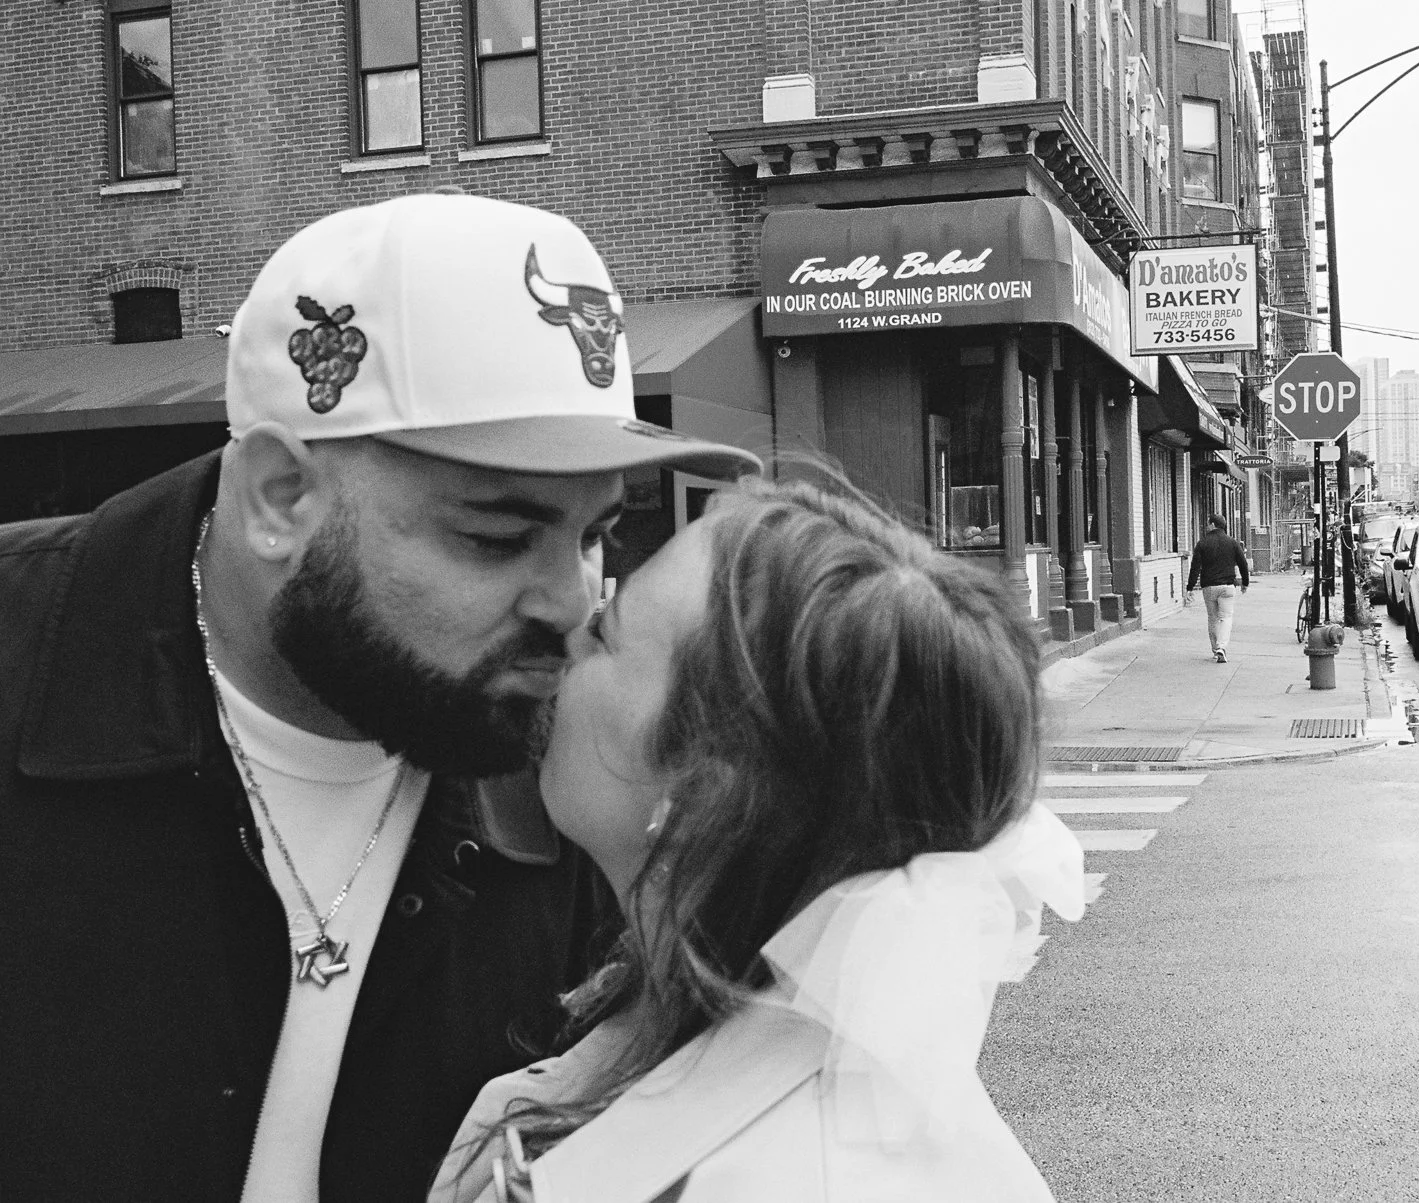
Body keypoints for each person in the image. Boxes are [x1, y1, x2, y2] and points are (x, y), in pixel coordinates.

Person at [0, 192, 760, 1203]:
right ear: (280, 498)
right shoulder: (29, 663)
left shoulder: (574, 765)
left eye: (594, 533)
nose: (576, 601)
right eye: (496, 536)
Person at [429, 477, 1086, 1203]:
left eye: (610, 631)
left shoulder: (803, 1177)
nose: (572, 627)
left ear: (705, 793)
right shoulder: (676, 1017)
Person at [1186, 514, 1250, 662]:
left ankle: (1216, 650)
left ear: (1213, 525)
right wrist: (1245, 583)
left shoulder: (1202, 543)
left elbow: (1195, 567)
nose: (1207, 527)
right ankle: (1222, 647)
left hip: (1209, 587)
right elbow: (1243, 564)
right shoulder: (1232, 543)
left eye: (1209, 524)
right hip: (1227, 586)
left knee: (1213, 618)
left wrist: (1189, 587)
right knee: (1226, 618)